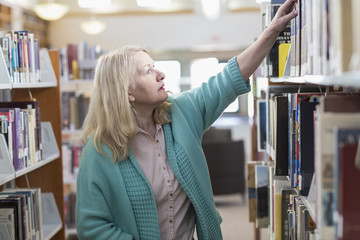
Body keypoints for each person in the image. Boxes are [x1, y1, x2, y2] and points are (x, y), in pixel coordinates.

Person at [75, 0, 298, 239]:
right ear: (127, 91)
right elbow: (92, 228)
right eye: (148, 71)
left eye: (155, 66)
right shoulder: (99, 151)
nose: (161, 74)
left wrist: (272, 31)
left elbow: (228, 79)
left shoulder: (180, 113)